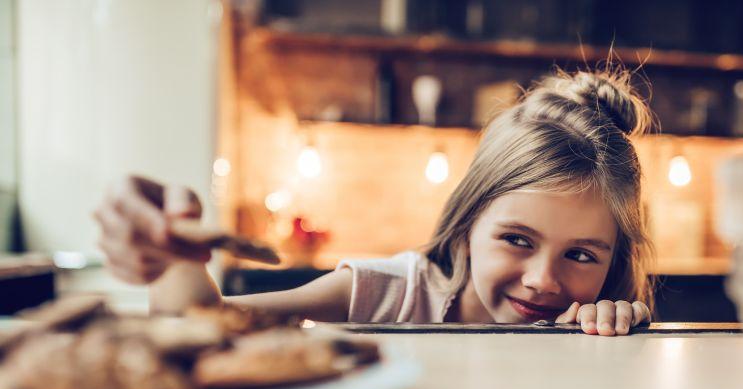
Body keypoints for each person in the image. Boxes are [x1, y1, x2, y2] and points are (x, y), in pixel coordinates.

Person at [94, 68, 654, 336]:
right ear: (465, 225)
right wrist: (170, 251)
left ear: (614, 262)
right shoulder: (392, 291)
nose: (542, 281)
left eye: (582, 255)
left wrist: (616, 333)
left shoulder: (587, 324)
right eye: (517, 240)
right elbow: (205, 324)